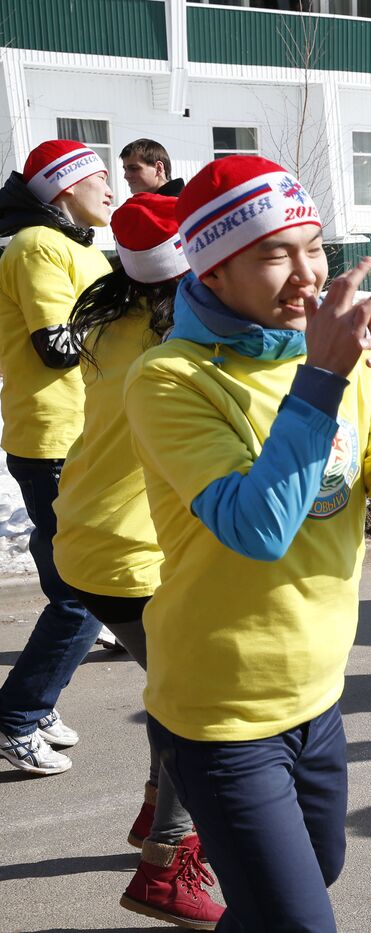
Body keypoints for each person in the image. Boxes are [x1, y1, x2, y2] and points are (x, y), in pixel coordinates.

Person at [125, 156, 371, 930]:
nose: (307, 274)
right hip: (219, 706)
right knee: (299, 920)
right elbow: (258, 529)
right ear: (213, 265)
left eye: (315, 247)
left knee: (316, 871)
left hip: (319, 692)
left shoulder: (340, 362)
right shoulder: (171, 377)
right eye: (274, 253)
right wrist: (323, 379)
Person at [53, 193, 222, 928]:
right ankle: (167, 859)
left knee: (171, 685)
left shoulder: (120, 317)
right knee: (202, 702)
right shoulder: (174, 341)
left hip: (91, 536)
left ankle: (160, 798)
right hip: (132, 554)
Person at [0, 139, 112, 775]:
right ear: (64, 188)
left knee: (68, 584)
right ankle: (16, 716)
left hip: (73, 435)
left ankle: (34, 707)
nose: (110, 189)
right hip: (56, 439)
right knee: (82, 591)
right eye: (99, 176)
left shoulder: (68, 245)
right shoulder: (37, 246)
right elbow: (57, 345)